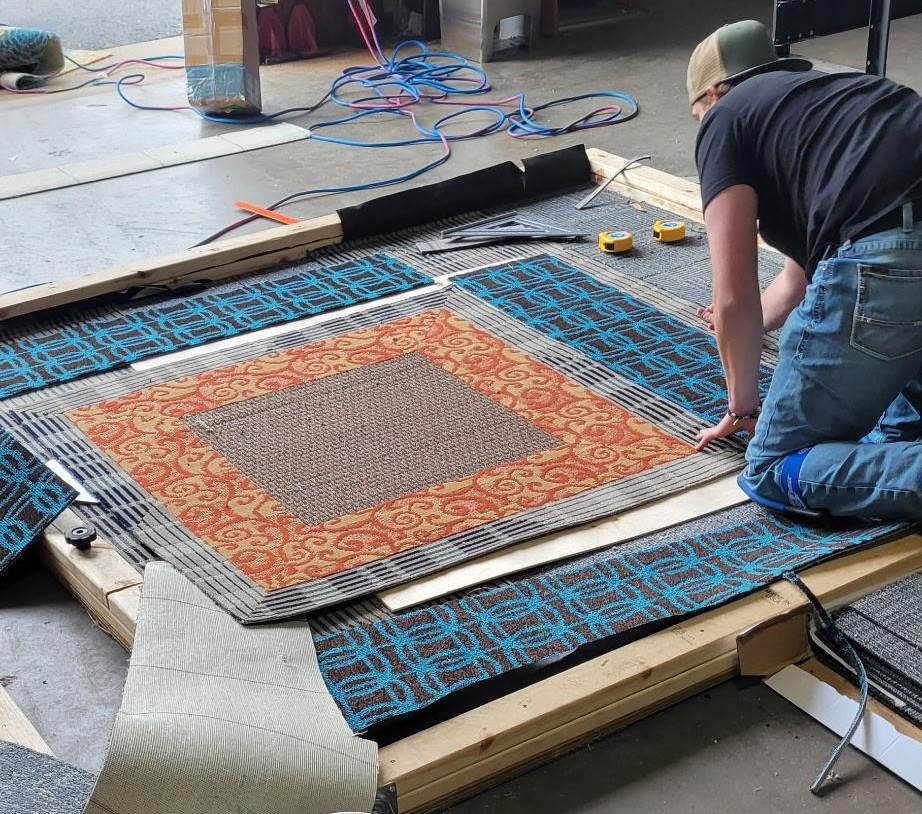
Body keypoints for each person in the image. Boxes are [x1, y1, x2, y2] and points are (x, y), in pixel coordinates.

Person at [686, 19, 922, 520]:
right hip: (894, 250)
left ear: (711, 95)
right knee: (902, 428)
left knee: (774, 468)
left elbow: (735, 296)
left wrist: (743, 408)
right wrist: (735, 326)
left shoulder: (723, 119)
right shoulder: (829, 103)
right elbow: (796, 283)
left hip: (892, 260)